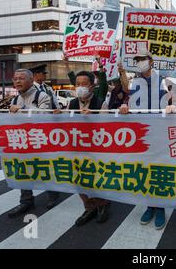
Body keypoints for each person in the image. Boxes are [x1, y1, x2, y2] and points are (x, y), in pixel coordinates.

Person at [119, 50, 171, 231]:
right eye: (137, 60)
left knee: (160, 170)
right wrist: (125, 105)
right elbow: (128, 97)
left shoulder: (166, 79)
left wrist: (174, 104)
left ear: (151, 60)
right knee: (145, 171)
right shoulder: (135, 81)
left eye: (142, 59)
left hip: (161, 132)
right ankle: (150, 206)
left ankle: (161, 208)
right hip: (141, 133)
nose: (140, 62)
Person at [7, 69, 60, 218]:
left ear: (31, 80)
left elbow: (44, 115)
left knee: (45, 167)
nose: (17, 81)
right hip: (22, 140)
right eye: (15, 78)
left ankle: (53, 194)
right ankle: (26, 200)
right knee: (22, 169)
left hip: (40, 139)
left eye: (21, 78)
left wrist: (23, 109)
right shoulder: (15, 99)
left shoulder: (41, 95)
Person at [64, 71, 110, 226]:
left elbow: (108, 127)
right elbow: (64, 125)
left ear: (92, 86)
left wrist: (94, 117)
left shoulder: (100, 103)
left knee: (98, 178)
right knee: (79, 179)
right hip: (77, 148)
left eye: (84, 84)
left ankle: (102, 205)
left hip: (96, 149)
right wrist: (57, 115)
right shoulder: (71, 104)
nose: (80, 87)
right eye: (78, 84)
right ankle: (89, 207)